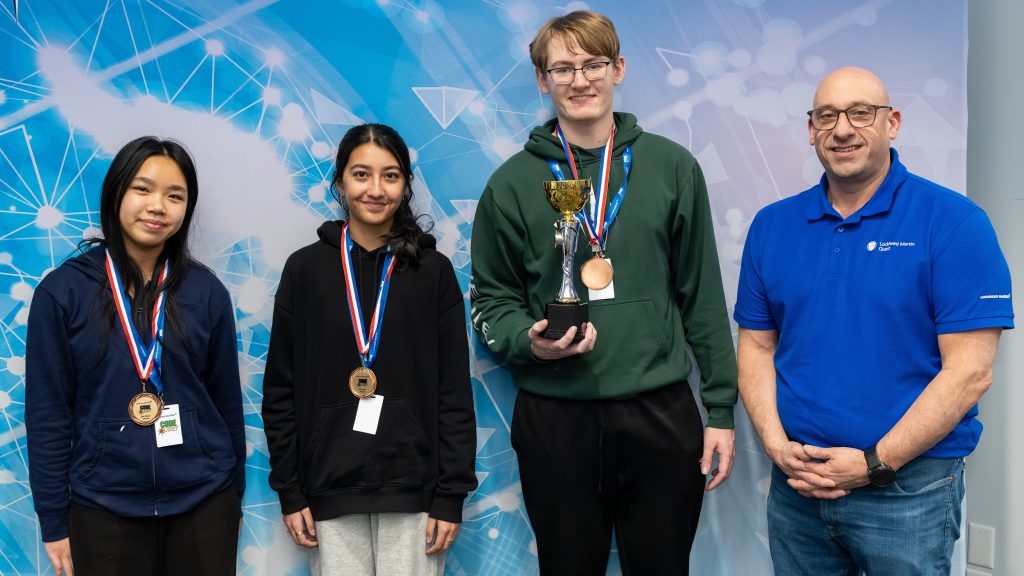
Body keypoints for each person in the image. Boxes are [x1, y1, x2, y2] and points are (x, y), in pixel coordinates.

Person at [470, 10, 737, 575]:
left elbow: (702, 298)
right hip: (555, 416)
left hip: (659, 411)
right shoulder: (511, 184)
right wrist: (529, 341)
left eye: (593, 64)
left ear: (618, 69)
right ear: (542, 80)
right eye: (562, 68)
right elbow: (491, 301)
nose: (579, 80)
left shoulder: (672, 167)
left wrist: (719, 410)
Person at [735, 67, 1014, 575]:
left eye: (861, 113)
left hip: (908, 490)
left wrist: (874, 463)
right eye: (827, 116)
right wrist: (776, 445)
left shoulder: (954, 223)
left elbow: (970, 371)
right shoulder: (772, 226)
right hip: (799, 489)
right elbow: (756, 346)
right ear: (811, 129)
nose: (842, 129)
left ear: (894, 123)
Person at [262, 123, 477, 576]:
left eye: (391, 176)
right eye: (362, 174)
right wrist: (291, 490)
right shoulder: (304, 271)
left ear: (406, 185)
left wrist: (450, 494)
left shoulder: (433, 272)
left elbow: (454, 393)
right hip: (328, 489)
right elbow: (280, 391)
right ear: (339, 182)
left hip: (416, 492)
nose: (376, 189)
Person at [26, 137, 246, 576]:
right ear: (116, 192)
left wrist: (232, 495)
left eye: (175, 195)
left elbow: (225, 403)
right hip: (102, 506)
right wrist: (53, 521)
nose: (158, 206)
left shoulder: (206, 292)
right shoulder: (63, 292)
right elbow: (48, 415)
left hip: (204, 502)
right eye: (142, 189)